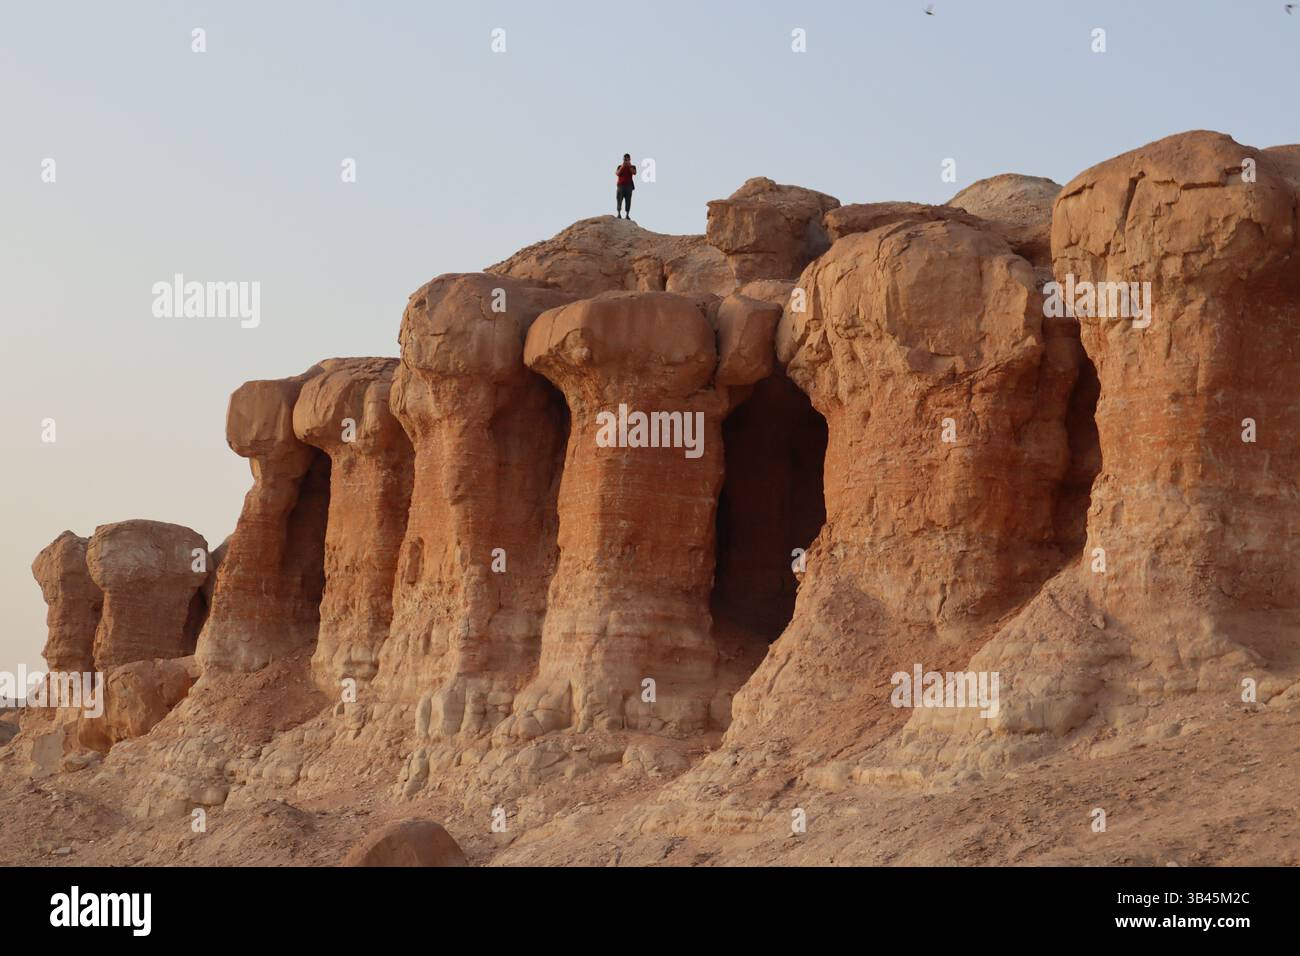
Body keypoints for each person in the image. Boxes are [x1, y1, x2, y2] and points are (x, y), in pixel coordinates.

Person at [615, 154, 636, 219]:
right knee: (619, 199)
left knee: (628, 200)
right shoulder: (620, 166)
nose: (626, 161)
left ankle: (627, 215)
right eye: (625, 159)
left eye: (627, 159)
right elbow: (617, 173)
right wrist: (623, 166)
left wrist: (629, 166)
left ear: (629, 159)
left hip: (628, 186)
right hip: (620, 186)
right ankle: (619, 214)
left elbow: (634, 172)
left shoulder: (632, 166)